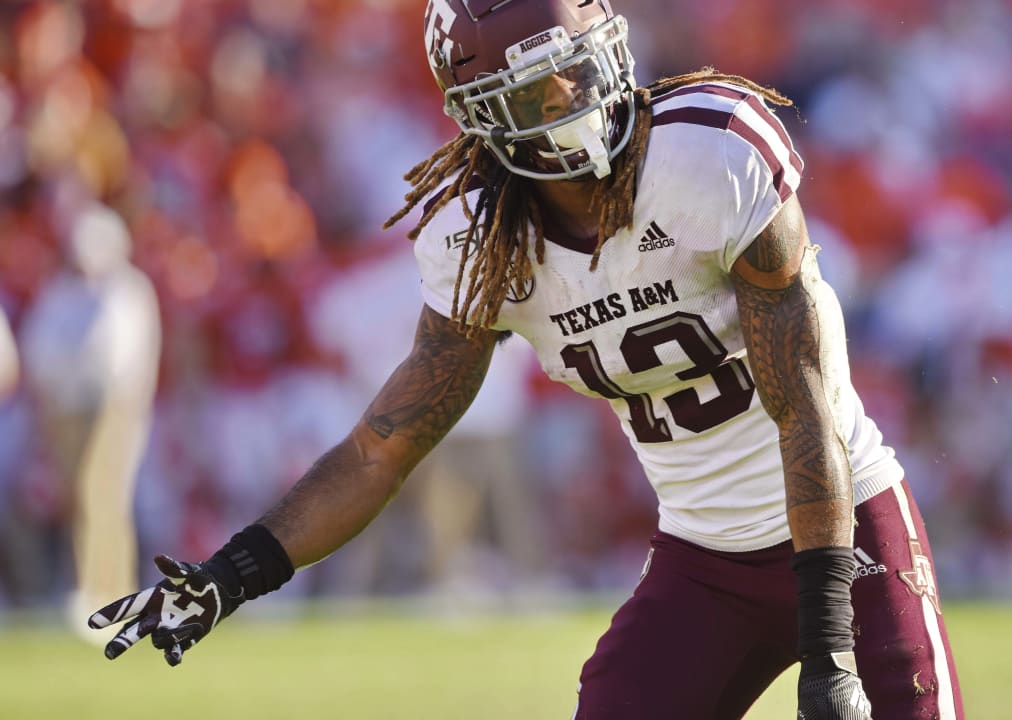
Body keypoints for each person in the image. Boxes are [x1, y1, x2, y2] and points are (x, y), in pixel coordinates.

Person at [88, 2, 964, 718]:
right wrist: (231, 574)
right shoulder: (480, 241)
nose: (581, 92)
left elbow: (806, 402)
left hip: (843, 530)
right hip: (704, 558)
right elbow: (380, 449)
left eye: (583, 64)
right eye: (546, 86)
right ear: (486, 116)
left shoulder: (712, 152)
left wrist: (831, 645)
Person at [19, 203, 160, 635]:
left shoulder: (128, 290)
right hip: (66, 408)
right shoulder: (61, 292)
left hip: (112, 406)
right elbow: (41, 348)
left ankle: (110, 593)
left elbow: (121, 359)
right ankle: (91, 586)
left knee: (104, 497)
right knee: (79, 500)